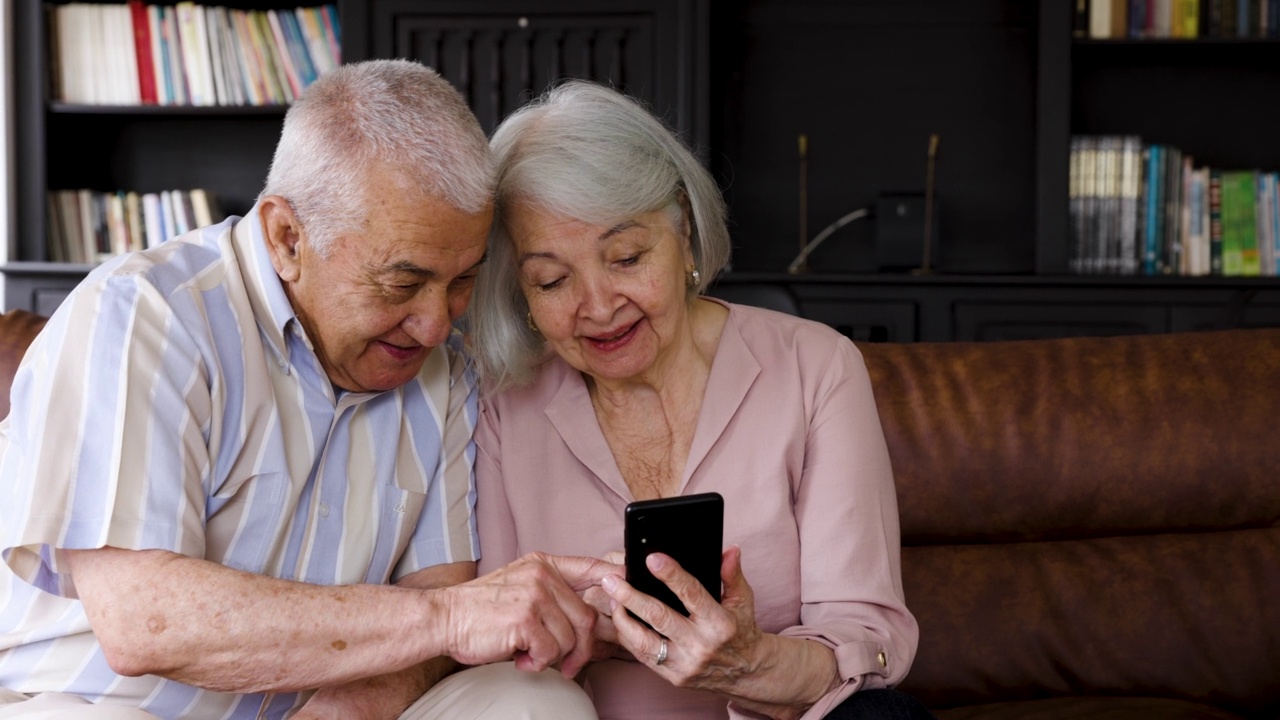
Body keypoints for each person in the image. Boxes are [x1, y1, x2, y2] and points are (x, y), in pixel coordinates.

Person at [0, 60, 613, 720]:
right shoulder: (142, 315)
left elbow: (438, 615)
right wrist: (449, 616)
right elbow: (145, 622)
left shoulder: (446, 369)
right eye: (402, 284)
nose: (437, 323)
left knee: (533, 699)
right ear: (287, 237)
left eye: (462, 280)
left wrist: (350, 708)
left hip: (316, 707)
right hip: (90, 702)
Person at [467, 81, 933, 720]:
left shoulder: (815, 368)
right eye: (551, 279)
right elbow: (498, 643)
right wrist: (593, 622)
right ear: (519, 289)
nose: (599, 308)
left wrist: (749, 662)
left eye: (627, 258)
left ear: (683, 231)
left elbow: (872, 638)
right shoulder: (501, 412)